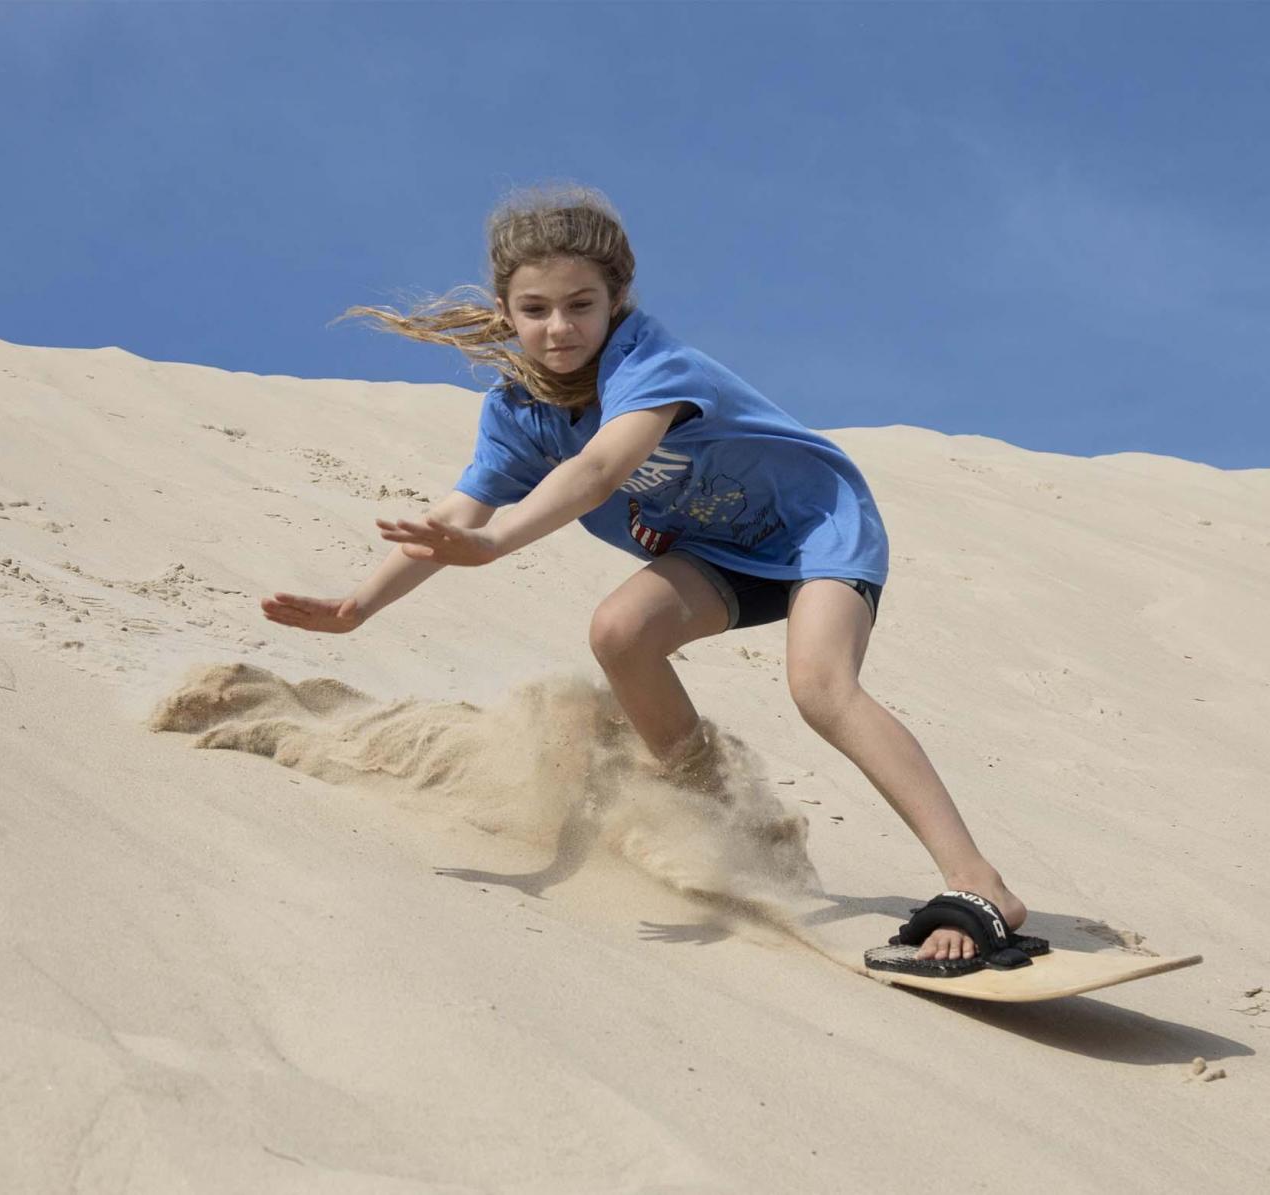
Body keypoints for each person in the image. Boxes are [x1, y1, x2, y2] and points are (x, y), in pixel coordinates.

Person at [260, 184, 1025, 965]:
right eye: (535, 308)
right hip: (719, 554)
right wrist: (360, 605)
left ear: (617, 298)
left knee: (819, 687)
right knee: (619, 632)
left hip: (814, 528)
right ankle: (713, 805)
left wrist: (497, 545)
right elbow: (456, 514)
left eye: (580, 305)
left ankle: (980, 881)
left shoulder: (649, 361)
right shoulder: (518, 413)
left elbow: (596, 470)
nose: (559, 327)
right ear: (505, 307)